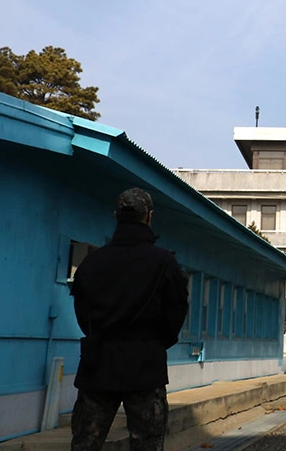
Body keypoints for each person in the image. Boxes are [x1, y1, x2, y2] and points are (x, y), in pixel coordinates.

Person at [69, 188, 189, 451]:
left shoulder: (92, 262)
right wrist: (156, 343)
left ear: (116, 216)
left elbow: (81, 311)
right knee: (147, 443)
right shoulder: (164, 262)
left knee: (85, 443)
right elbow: (177, 311)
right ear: (149, 217)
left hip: (97, 362)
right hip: (145, 364)